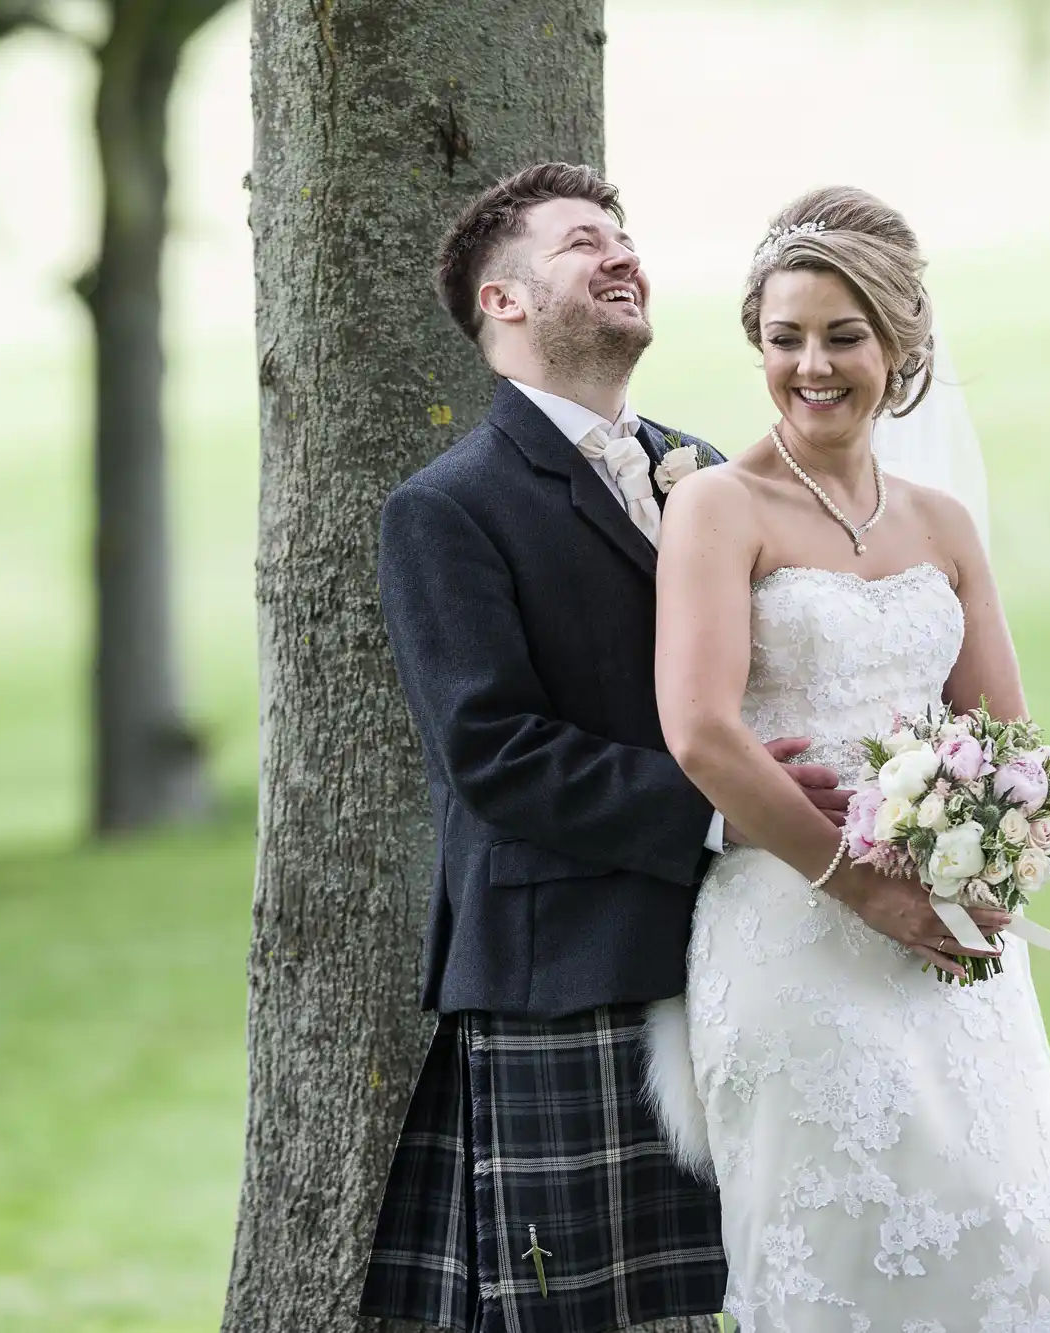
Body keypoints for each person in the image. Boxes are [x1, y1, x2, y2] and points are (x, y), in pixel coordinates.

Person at [360, 162, 850, 1333]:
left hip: (739, 944)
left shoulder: (705, 470)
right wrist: (725, 807)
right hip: (566, 963)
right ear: (504, 301)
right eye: (585, 243)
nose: (622, 254)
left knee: (757, 1289)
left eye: (623, 236)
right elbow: (497, 754)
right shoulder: (446, 508)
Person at [645, 186, 1050, 1331]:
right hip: (791, 931)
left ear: (900, 345)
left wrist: (981, 858)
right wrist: (863, 884)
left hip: (948, 944)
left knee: (1013, 1241)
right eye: (783, 339)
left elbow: (1004, 734)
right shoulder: (720, 508)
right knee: (843, 1258)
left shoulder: (940, 524)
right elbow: (700, 730)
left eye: (841, 336)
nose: (810, 366)